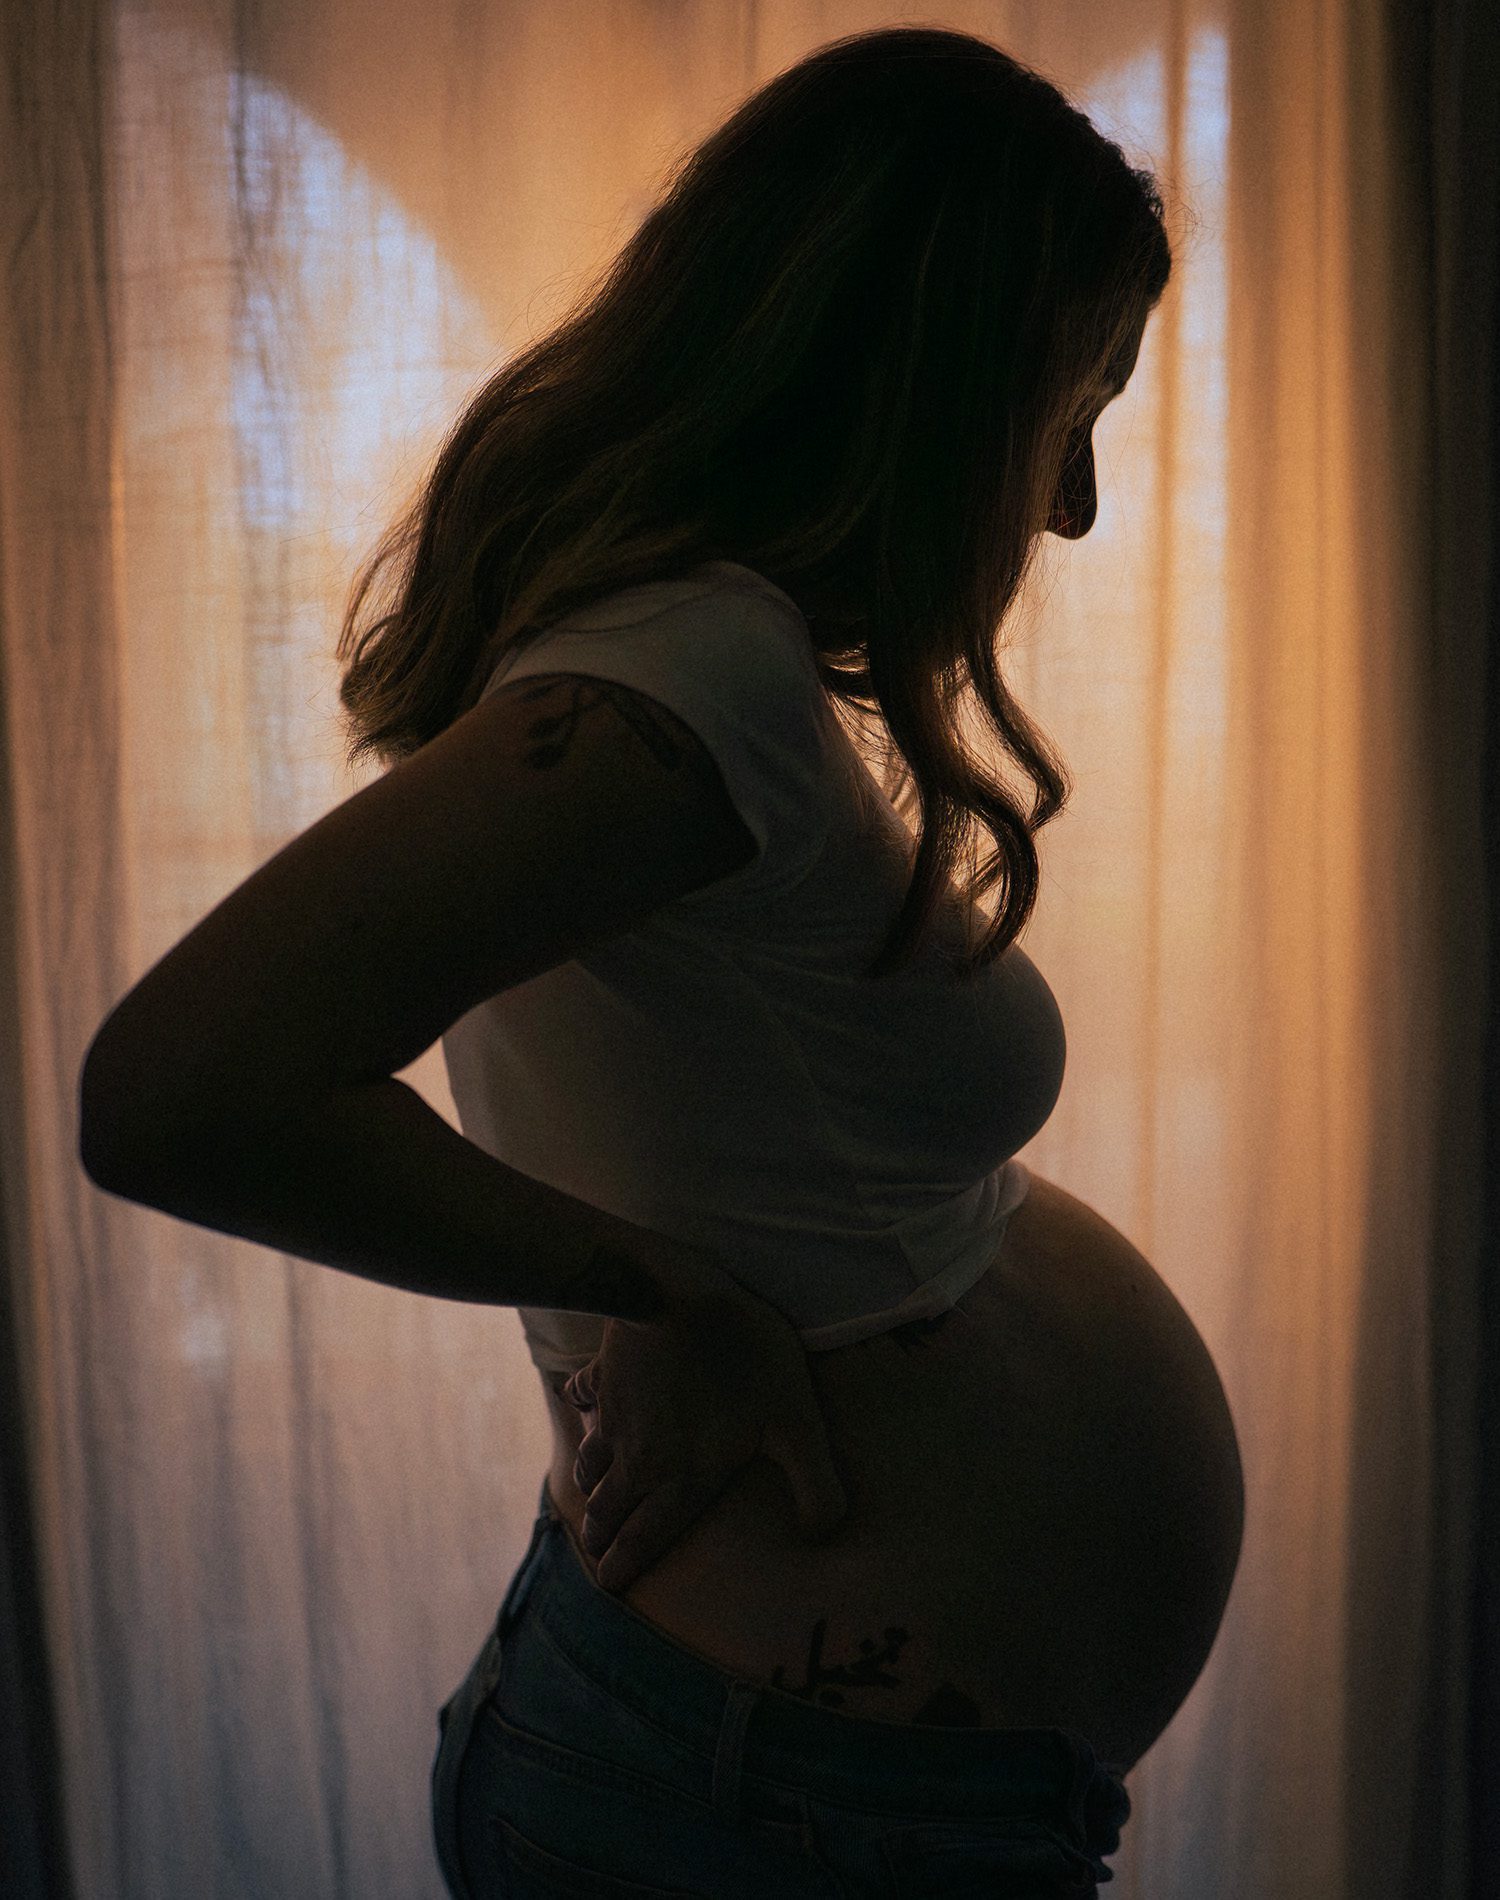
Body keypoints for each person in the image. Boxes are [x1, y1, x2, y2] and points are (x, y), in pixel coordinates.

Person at [79, 23, 1245, 1898]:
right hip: (759, 1801)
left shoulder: (710, 659)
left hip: (789, 1779)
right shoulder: (687, 676)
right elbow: (172, 1093)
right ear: (927, 379)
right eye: (1066, 411)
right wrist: (658, 1293)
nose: (1070, 504)